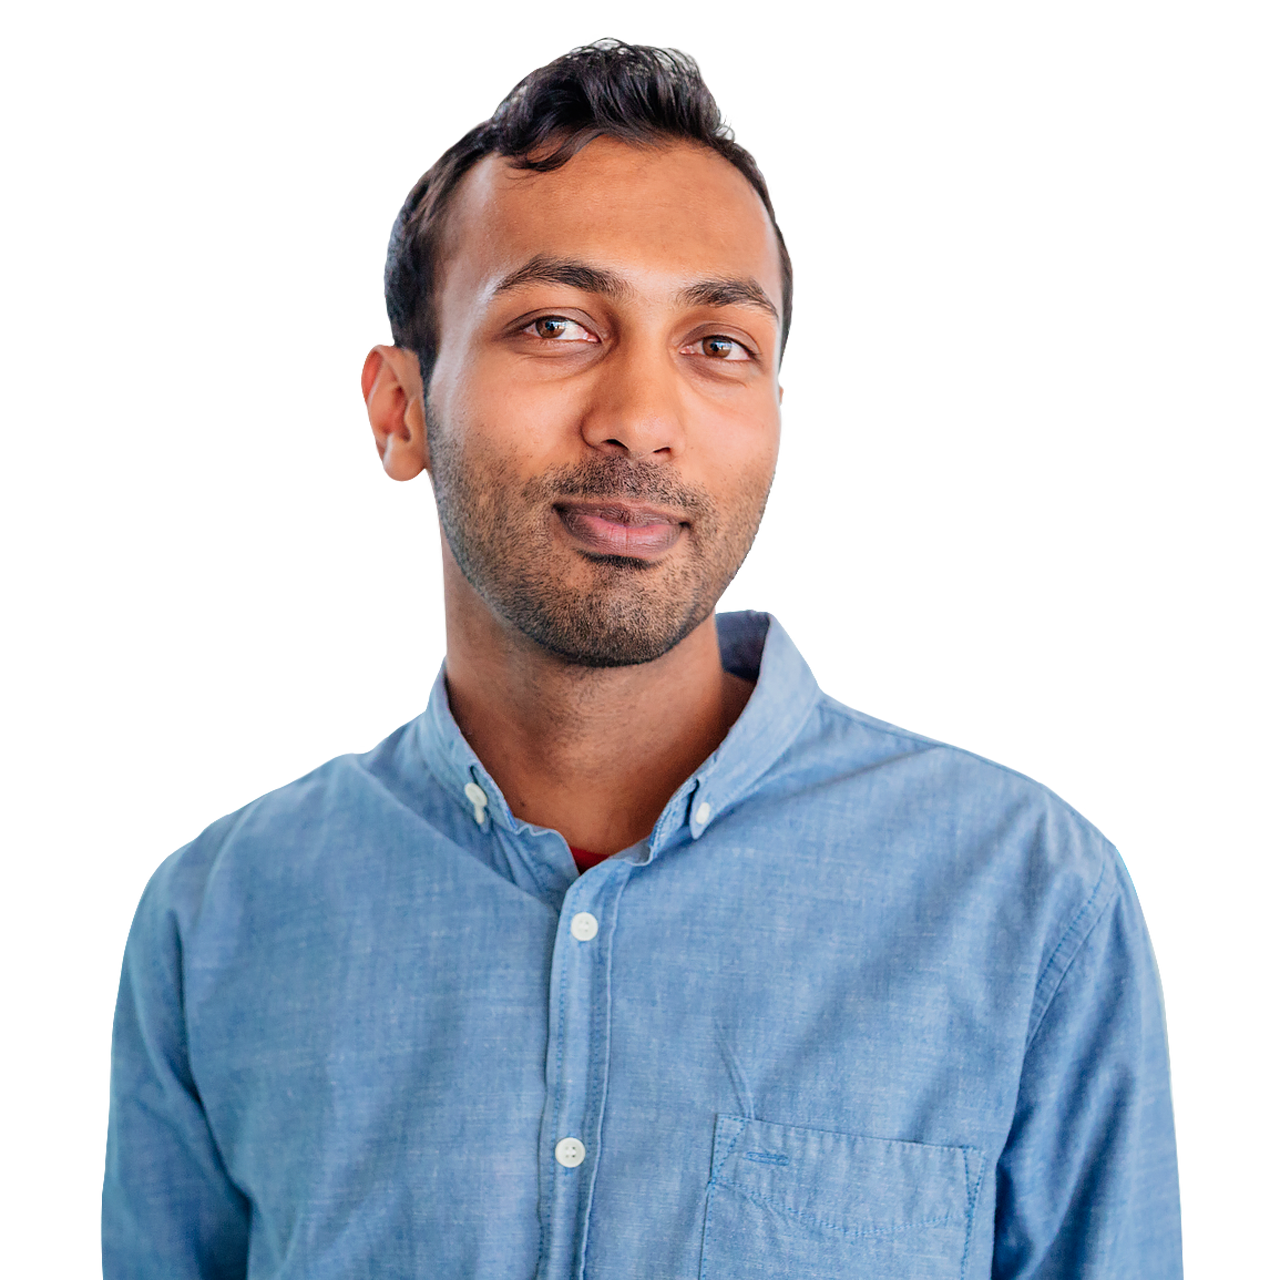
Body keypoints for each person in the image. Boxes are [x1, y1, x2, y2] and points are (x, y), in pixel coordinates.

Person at [101, 40, 1184, 1279]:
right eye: (557, 324)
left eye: (718, 343)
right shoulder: (220, 921)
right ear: (400, 406)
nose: (643, 416)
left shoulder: (1024, 899)